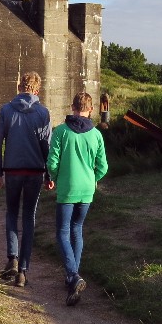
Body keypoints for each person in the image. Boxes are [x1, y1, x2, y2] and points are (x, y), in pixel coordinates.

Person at [47, 92, 108, 306]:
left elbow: (52, 161)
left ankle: (73, 275)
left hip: (67, 189)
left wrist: (54, 177)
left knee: (62, 232)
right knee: (77, 230)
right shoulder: (96, 135)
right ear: (90, 109)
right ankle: (72, 278)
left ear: (72, 107)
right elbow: (103, 166)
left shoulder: (61, 131)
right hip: (86, 190)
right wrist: (93, 179)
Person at [0, 72, 52, 288]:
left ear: (19, 87)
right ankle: (23, 271)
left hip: (13, 169)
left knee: (11, 212)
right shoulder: (43, 112)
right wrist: (49, 174)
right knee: (29, 217)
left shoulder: (6, 110)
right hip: (35, 170)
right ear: (37, 89)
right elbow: (47, 146)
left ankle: (12, 259)